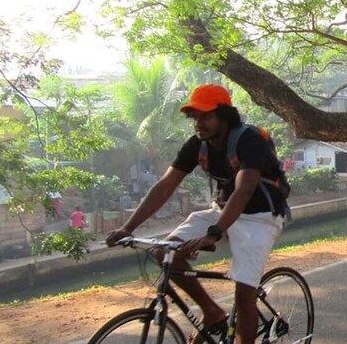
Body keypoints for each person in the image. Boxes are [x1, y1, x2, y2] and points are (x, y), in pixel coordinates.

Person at [105, 84, 288, 344]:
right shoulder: (197, 145)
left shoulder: (249, 140)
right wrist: (128, 227)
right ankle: (212, 312)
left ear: (224, 116)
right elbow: (166, 186)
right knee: (166, 251)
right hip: (223, 212)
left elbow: (245, 189)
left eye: (206, 116)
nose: (198, 123)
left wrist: (214, 233)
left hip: (259, 217)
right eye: (195, 117)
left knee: (244, 294)